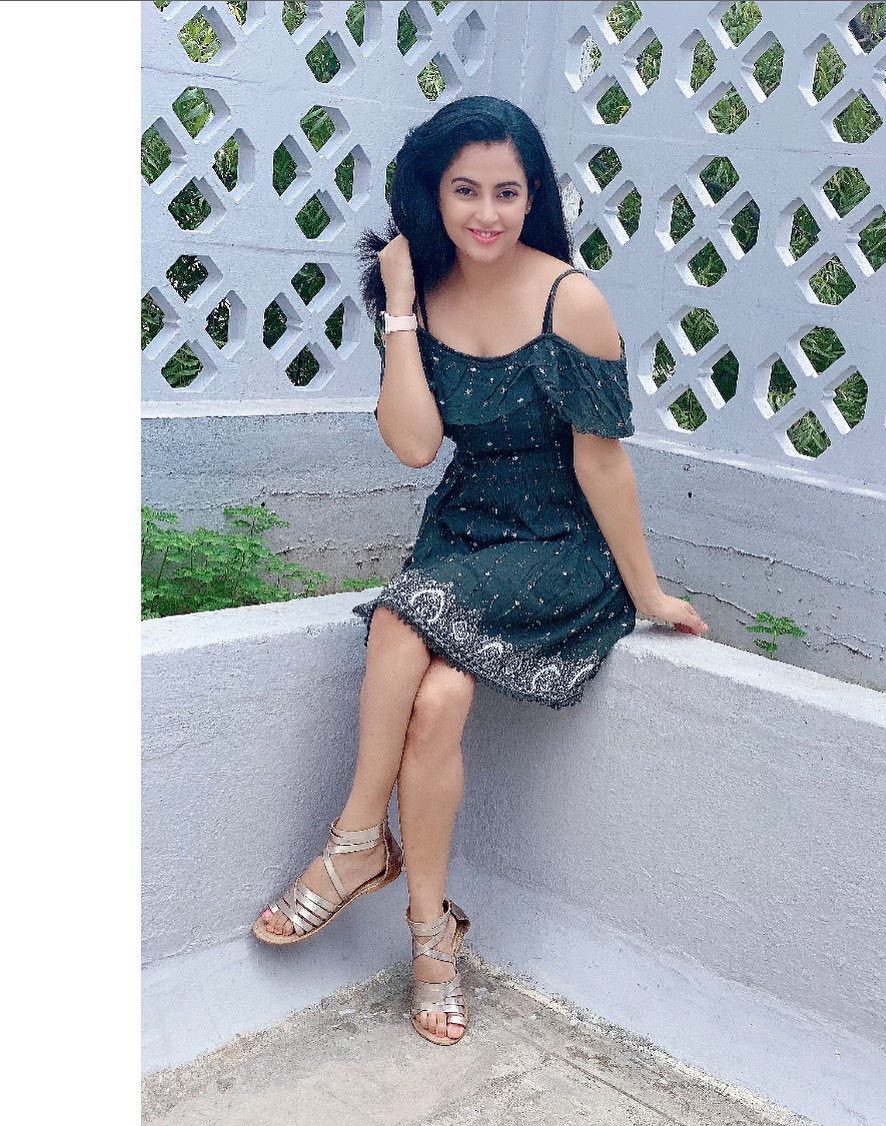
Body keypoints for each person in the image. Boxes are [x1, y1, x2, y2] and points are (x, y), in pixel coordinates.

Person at [251, 95, 708, 1046]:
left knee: (399, 614)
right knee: (440, 700)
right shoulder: (423, 290)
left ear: (534, 196)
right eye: (466, 191)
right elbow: (417, 446)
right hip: (463, 535)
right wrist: (401, 309)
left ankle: (354, 841)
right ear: (433, 194)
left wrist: (648, 592)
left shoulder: (569, 299)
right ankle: (432, 943)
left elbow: (602, 462)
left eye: (508, 191)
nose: (487, 213)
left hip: (559, 546)